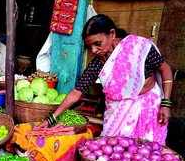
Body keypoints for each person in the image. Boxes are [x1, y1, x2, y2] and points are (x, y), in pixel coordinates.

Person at [46, 14, 173, 145]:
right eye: (89, 47)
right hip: (118, 112)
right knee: (113, 149)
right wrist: (52, 118)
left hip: (147, 107)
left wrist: (166, 103)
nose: (94, 50)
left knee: (145, 152)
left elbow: (165, 69)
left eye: (97, 44)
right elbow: (76, 92)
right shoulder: (98, 63)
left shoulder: (138, 47)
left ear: (112, 34)